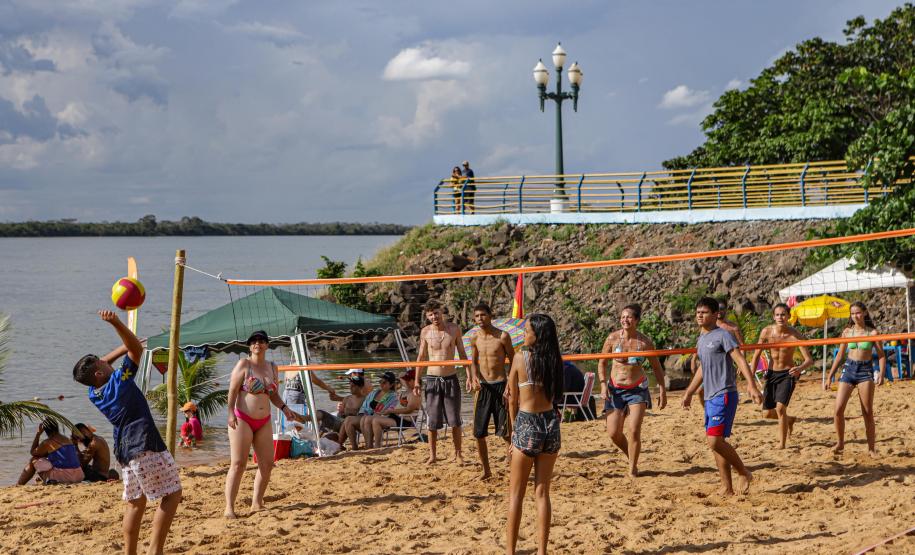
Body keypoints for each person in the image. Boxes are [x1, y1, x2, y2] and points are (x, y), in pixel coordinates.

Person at [72, 310, 181, 555]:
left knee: (136, 503)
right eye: (102, 363)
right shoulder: (120, 380)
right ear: (100, 372)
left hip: (124, 449)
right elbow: (136, 353)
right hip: (144, 443)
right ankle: (156, 550)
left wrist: (127, 344)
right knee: (172, 494)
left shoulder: (94, 392)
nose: (105, 360)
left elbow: (108, 360)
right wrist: (116, 323)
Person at [682, 297, 762, 496]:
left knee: (715, 441)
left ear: (716, 314)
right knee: (716, 443)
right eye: (698, 312)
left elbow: (740, 361)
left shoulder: (723, 335)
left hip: (724, 393)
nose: (700, 315)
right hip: (709, 395)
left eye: (705, 312)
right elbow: (702, 368)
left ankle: (743, 472)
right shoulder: (702, 338)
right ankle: (727, 487)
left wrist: (751, 386)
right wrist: (689, 391)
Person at [224, 330, 303, 518]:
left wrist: (284, 408)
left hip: (264, 420)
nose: (257, 344)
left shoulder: (272, 367)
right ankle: (229, 507)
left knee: (267, 464)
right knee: (238, 463)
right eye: (253, 341)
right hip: (242, 417)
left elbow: (273, 394)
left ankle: (257, 503)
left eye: (261, 341)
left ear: (267, 345)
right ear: (249, 346)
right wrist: (229, 414)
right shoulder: (244, 364)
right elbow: (233, 390)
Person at [505, 314, 564, 555]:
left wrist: (513, 434)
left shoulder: (521, 357)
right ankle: (541, 551)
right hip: (550, 422)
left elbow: (510, 399)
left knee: (516, 495)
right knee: (542, 492)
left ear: (537, 336)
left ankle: (510, 551)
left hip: (528, 422)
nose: (523, 334)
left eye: (527, 331)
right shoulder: (555, 360)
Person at [597, 304, 667, 478]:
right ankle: (631, 454)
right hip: (615, 388)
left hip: (637, 388)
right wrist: (603, 384)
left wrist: (662, 389)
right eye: (622, 317)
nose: (625, 320)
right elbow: (602, 363)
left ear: (636, 320)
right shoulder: (612, 338)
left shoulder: (644, 342)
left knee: (634, 429)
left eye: (628, 317)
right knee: (613, 433)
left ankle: (632, 468)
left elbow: (656, 367)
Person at [825, 301, 886, 457]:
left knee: (867, 412)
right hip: (849, 369)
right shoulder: (847, 332)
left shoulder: (872, 333)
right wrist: (830, 375)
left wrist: (882, 374)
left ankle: (871, 449)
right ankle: (840, 443)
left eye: (858, 313)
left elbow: (881, 355)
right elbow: (839, 355)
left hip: (865, 370)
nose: (855, 316)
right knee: (838, 409)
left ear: (865, 313)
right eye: (852, 313)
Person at [749, 303, 814, 449]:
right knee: (766, 414)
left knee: (780, 408)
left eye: (783, 314)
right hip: (772, 374)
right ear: (773, 317)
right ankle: (789, 420)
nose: (780, 317)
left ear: (789, 317)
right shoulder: (766, 332)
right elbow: (756, 355)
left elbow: (809, 360)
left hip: (788, 374)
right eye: (777, 314)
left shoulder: (794, 335)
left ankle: (782, 444)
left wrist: (799, 368)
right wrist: (750, 379)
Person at [414, 300, 469, 464]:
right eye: (430, 314)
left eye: (436, 312)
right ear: (427, 316)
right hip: (432, 379)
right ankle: (433, 455)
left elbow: (463, 355)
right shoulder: (425, 332)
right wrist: (417, 380)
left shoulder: (453, 329)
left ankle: (458, 454)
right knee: (432, 421)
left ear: (441, 312)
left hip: (450, 378)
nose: (434, 316)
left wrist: (470, 377)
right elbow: (421, 357)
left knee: (454, 420)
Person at [467, 302, 515, 479]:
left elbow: (513, 360)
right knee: (479, 433)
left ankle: (513, 469)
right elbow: (473, 362)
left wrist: (510, 383)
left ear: (490, 315)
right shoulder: (474, 338)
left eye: (483, 315)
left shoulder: (502, 336)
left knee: (507, 433)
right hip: (483, 388)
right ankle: (486, 470)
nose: (480, 319)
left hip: (501, 385)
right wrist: (473, 377)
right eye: (477, 316)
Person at [360, 370, 421, 448]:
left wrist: (391, 411)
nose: (406, 382)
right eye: (406, 380)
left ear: (414, 381)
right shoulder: (406, 392)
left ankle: (377, 445)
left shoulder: (414, 394)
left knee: (375, 420)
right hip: (396, 417)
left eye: (408, 380)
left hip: (404, 420)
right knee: (367, 418)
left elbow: (409, 409)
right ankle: (369, 445)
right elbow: (401, 376)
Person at [341, 371, 399, 449]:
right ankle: (354, 447)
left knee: (366, 419)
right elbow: (364, 407)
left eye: (384, 382)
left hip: (379, 418)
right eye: (380, 381)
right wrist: (363, 413)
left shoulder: (393, 396)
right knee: (348, 420)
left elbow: (388, 411)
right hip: (365, 416)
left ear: (391, 384)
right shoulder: (374, 393)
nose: (381, 384)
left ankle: (369, 445)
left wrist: (371, 414)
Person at [18, 419, 84, 485]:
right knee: (48, 461)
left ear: (45, 430)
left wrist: (38, 434)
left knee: (33, 459)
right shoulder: (67, 439)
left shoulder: (48, 442)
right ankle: (46, 479)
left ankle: (19, 484)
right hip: (79, 475)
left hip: (65, 476)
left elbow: (33, 452)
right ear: (57, 427)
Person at [316, 371, 367, 437]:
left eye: (353, 386)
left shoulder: (365, 399)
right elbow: (340, 413)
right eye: (350, 385)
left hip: (352, 424)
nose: (350, 387)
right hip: (342, 423)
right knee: (323, 418)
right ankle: (318, 437)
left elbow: (363, 415)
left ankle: (319, 436)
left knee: (322, 415)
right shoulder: (347, 398)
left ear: (360, 387)